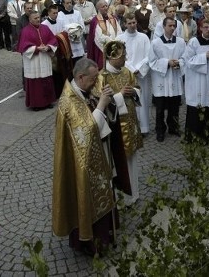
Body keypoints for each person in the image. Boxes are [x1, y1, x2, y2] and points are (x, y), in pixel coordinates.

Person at [52, 58, 118, 255]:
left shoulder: (86, 90)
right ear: (80, 77)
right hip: (83, 164)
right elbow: (84, 134)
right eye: (93, 78)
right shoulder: (69, 102)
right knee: (87, 197)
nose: (96, 81)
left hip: (100, 155)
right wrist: (101, 106)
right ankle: (91, 243)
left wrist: (107, 102)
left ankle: (106, 235)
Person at [96, 40, 144, 205]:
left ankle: (134, 192)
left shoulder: (126, 72)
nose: (125, 58)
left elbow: (137, 87)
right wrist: (120, 95)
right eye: (123, 55)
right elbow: (100, 102)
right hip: (116, 127)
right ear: (112, 57)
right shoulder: (102, 77)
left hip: (130, 122)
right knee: (119, 161)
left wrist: (134, 92)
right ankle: (123, 196)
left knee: (132, 159)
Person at [183, 19, 209, 143]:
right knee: (197, 106)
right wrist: (204, 56)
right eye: (206, 27)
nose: (208, 30)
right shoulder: (193, 42)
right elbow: (188, 60)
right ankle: (195, 136)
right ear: (200, 28)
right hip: (196, 79)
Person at [149, 17, 186, 141]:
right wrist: (166, 63)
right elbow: (152, 61)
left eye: (174, 26)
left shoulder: (181, 42)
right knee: (160, 108)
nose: (172, 28)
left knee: (174, 107)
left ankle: (173, 127)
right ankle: (160, 130)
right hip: (161, 80)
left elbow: (185, 58)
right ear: (163, 27)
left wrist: (179, 63)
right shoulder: (155, 43)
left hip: (175, 78)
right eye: (169, 26)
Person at [117, 13, 151, 136]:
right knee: (128, 101)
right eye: (129, 23)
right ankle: (131, 127)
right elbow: (119, 57)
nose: (132, 25)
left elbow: (149, 56)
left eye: (134, 22)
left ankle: (143, 128)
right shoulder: (119, 39)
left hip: (141, 75)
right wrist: (130, 69)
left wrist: (138, 69)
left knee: (142, 100)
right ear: (124, 24)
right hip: (126, 75)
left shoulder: (144, 37)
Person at [17, 11, 57, 110]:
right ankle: (36, 104)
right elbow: (23, 47)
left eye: (39, 17)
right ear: (30, 20)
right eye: (35, 18)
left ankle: (48, 102)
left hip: (44, 58)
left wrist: (48, 47)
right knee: (35, 83)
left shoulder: (45, 28)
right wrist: (36, 48)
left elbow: (53, 40)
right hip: (33, 60)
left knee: (46, 80)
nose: (38, 19)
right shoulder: (25, 31)